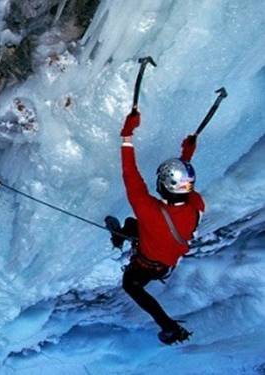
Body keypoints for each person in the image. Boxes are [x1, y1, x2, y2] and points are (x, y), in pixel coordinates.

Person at [108, 109, 205, 345]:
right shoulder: (196, 206)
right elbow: (182, 188)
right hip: (161, 265)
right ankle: (120, 236)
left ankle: (168, 325)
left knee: (130, 283)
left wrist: (127, 134)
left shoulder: (148, 209)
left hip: (146, 261)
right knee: (134, 226)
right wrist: (186, 158)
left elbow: (131, 173)